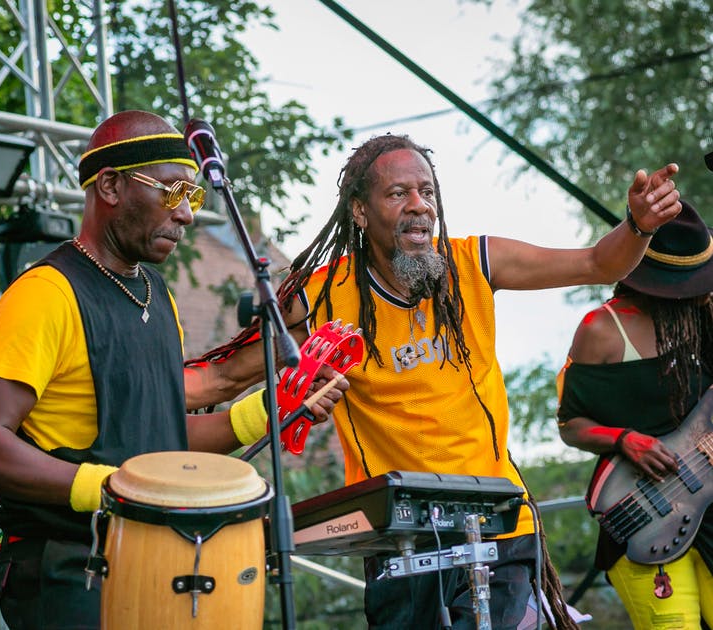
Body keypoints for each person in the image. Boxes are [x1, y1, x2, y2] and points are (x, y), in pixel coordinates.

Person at [184, 133, 683, 629]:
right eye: (398, 193)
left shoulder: (475, 263)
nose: (419, 205)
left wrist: (638, 226)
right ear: (360, 211)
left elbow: (598, 263)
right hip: (397, 535)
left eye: (427, 192)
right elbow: (221, 378)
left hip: (498, 522)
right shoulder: (322, 297)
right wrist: (144, 388)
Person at [0, 110, 346, 630]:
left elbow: (162, 439)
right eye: (172, 191)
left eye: (194, 196)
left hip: (154, 560)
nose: (185, 214)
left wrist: (273, 409)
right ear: (111, 186)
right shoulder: (44, 294)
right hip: (69, 567)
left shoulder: (157, 296)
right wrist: (115, 488)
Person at [556, 200, 713, 629]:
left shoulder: (705, 316)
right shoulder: (601, 329)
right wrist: (625, 439)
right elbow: (571, 424)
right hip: (648, 514)